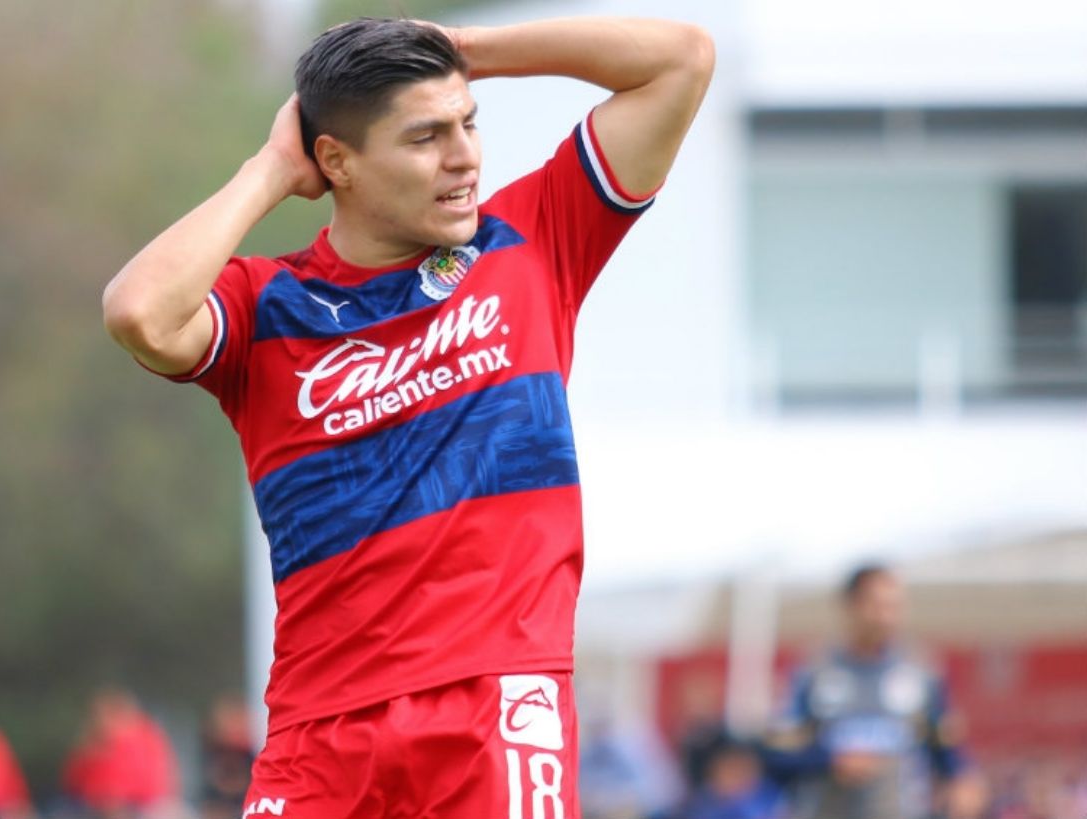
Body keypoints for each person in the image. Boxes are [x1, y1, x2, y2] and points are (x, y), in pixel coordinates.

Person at [104, 15, 713, 816]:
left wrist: (464, 52)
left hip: (494, 705)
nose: (464, 157)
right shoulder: (266, 306)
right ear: (337, 162)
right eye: (426, 137)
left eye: (468, 124)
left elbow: (681, 60)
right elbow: (140, 312)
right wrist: (269, 169)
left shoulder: (532, 240)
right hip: (315, 734)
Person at [762, 564, 970, 819]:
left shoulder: (921, 672)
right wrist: (830, 760)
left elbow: (945, 747)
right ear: (851, 607)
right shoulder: (813, 672)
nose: (886, 618)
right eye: (877, 606)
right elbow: (778, 753)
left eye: (893, 607)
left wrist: (962, 781)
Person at [60, 689, 180, 819]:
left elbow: (154, 783)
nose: (99, 720)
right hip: (94, 806)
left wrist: (116, 795)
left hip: (139, 806)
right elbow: (72, 783)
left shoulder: (143, 738)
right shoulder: (88, 743)